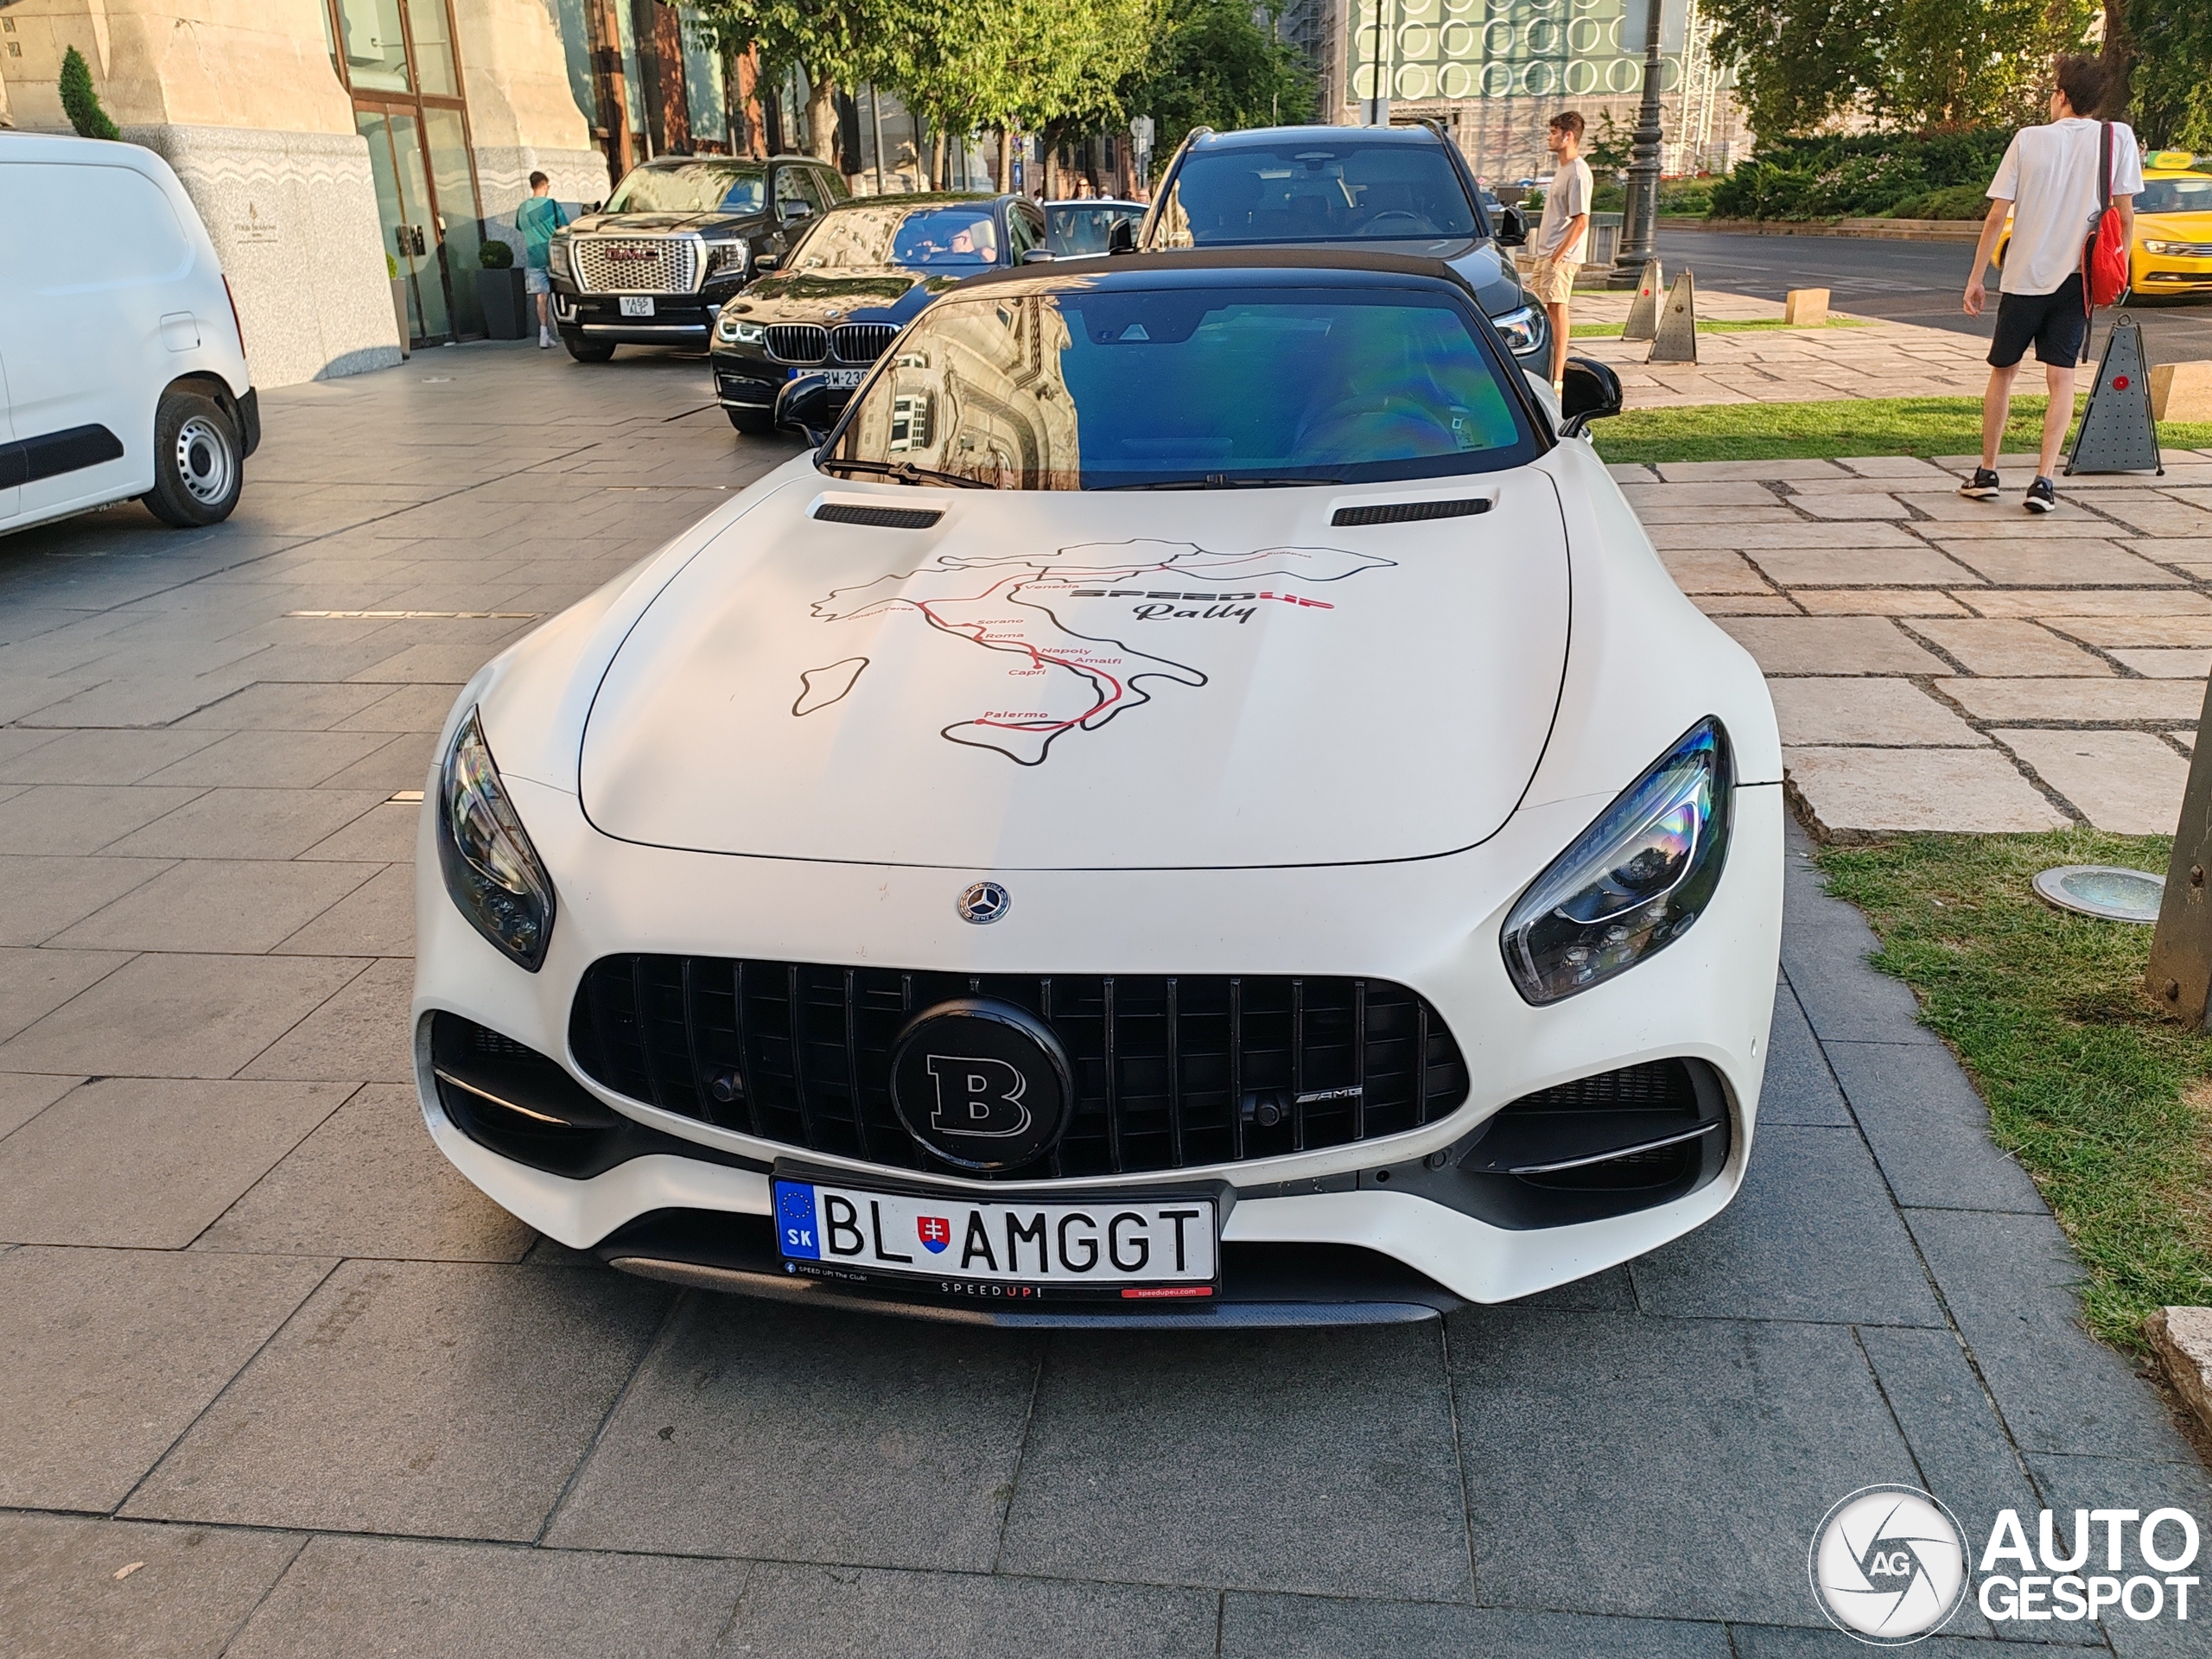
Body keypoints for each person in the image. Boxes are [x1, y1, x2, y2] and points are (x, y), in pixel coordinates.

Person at [1961, 56, 2139, 512]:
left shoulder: (2028, 140)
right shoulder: (2117, 137)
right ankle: (2043, 482)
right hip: (2077, 279)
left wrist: (1977, 277)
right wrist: (2121, 270)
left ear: (2061, 93)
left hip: (2023, 278)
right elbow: (2124, 214)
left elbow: (1997, 215)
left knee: (2003, 372)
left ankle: (1987, 472)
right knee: (2061, 380)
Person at [1529, 112, 1591, 396]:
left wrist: (1557, 257)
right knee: (1541, 310)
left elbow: (1581, 220)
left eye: (1554, 132)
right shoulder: (1564, 169)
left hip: (1560, 256)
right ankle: (1545, 366)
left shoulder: (1578, 172)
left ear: (1568, 136)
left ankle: (1557, 376)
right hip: (1547, 253)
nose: (1549, 136)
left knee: (1556, 310)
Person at [514, 171, 569, 350]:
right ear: (545, 185)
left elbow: (520, 228)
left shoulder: (522, 208)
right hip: (553, 256)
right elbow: (565, 228)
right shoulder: (552, 205)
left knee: (541, 296)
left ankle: (544, 335)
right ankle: (565, 329)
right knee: (562, 292)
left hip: (533, 257)